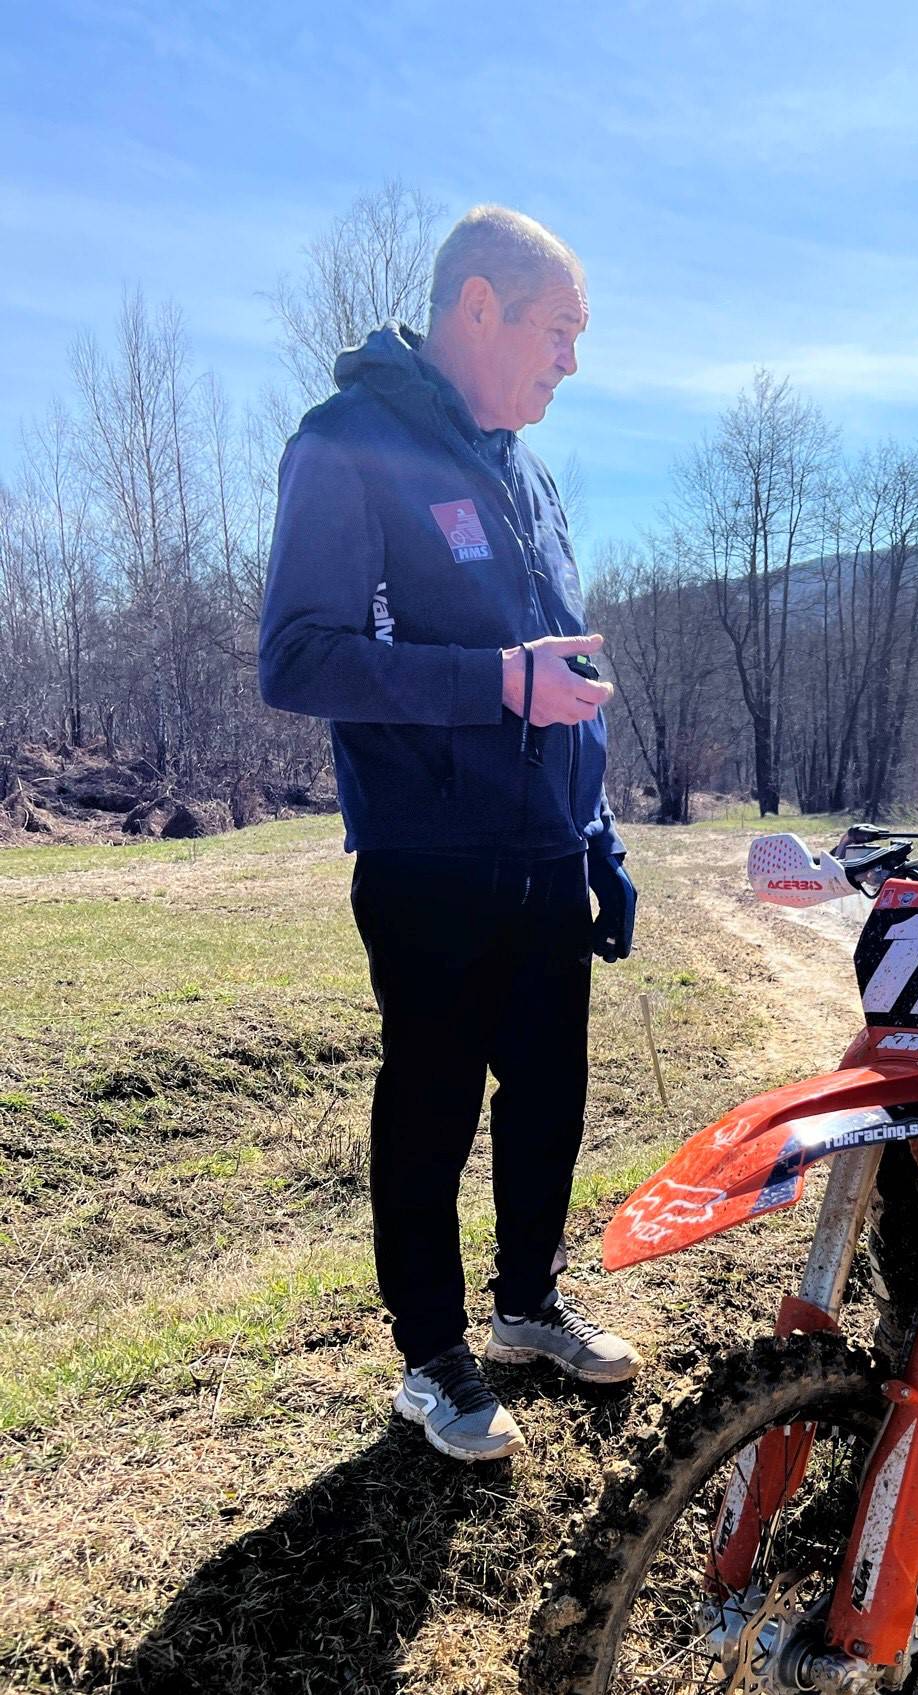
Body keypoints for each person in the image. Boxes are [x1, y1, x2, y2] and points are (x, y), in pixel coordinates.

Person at [259, 205, 642, 1465]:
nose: (572, 361)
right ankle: (431, 1358)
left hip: (546, 855)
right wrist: (498, 683)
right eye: (559, 330)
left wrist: (598, 836)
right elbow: (300, 658)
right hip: (427, 861)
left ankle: (526, 1305)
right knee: (431, 1108)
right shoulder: (345, 445)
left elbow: (559, 665)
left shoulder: (522, 465)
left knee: (550, 1102)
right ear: (476, 305)